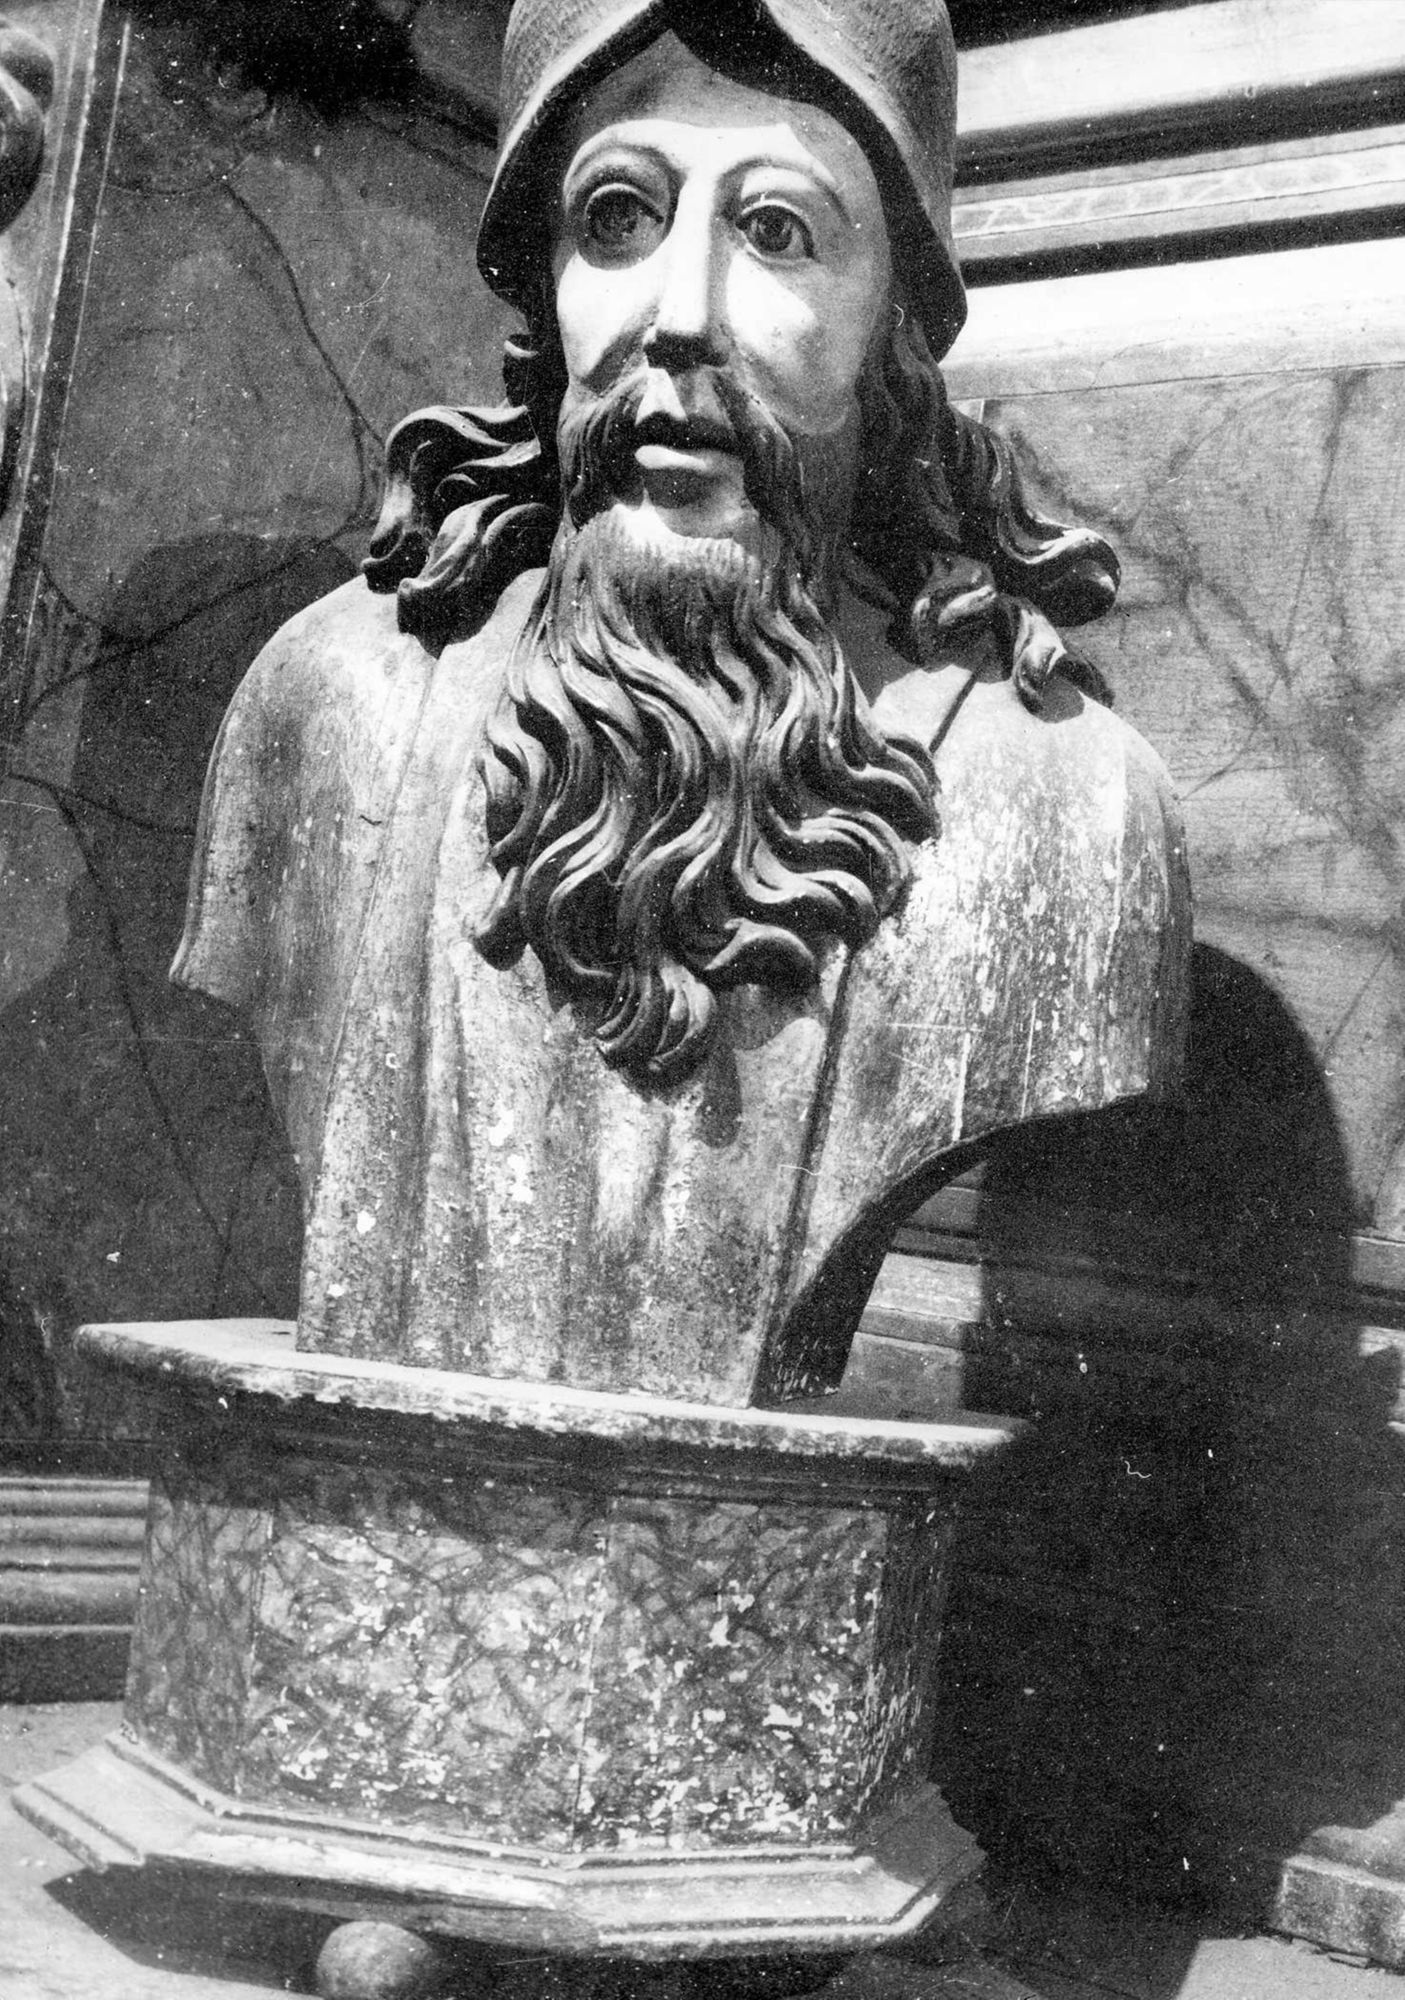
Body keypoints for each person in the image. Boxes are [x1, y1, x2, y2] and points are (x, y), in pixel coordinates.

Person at [173, 0, 1189, 1407]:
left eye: (776, 230)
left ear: (893, 322)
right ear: (545, 287)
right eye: (619, 219)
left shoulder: (1068, 816)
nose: (681, 314)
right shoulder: (329, 711)